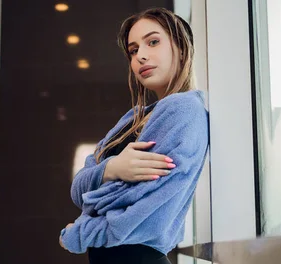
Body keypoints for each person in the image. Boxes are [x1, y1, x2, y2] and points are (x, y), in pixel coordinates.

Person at [59, 7, 209, 264]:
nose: (141, 56)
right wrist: (113, 169)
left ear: (181, 48)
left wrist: (80, 232)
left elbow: (144, 215)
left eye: (153, 42)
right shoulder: (134, 117)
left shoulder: (183, 109)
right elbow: (77, 188)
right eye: (133, 50)